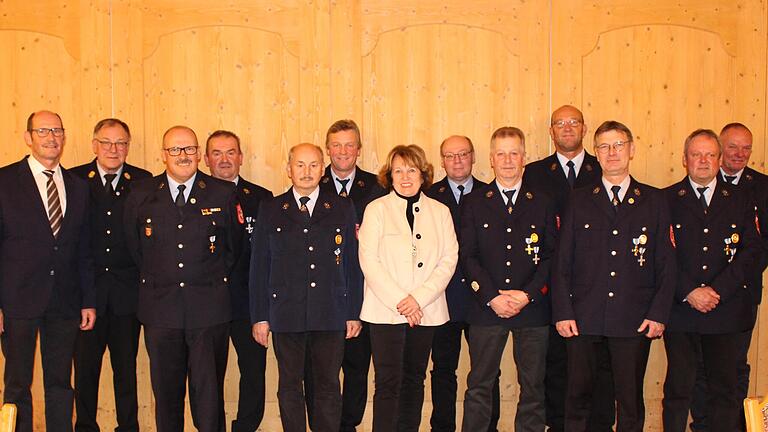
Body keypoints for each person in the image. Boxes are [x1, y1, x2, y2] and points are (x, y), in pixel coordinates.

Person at [552, 120, 675, 432]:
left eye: (619, 145)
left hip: (633, 318)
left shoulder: (654, 200)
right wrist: (563, 311)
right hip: (583, 317)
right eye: (604, 146)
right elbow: (562, 261)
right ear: (596, 152)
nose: (612, 152)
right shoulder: (580, 199)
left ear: (631, 150)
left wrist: (658, 313)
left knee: (630, 401)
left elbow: (666, 263)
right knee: (578, 398)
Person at [124, 125, 241, 432]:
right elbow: (135, 249)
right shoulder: (142, 194)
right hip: (160, 312)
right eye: (175, 150)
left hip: (209, 310)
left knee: (208, 396)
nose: (183, 156)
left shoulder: (223, 193)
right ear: (164, 155)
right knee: (166, 395)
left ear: (199, 154)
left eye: (189, 149)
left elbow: (233, 250)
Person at [250, 143, 363, 432]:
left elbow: (351, 262)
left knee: (328, 385)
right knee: (289, 386)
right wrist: (260, 316)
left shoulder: (340, 207)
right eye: (299, 165)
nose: (306, 171)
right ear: (288, 169)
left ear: (322, 169)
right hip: (286, 313)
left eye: (313, 165)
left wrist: (353, 312)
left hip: (330, 311)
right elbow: (259, 267)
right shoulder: (272, 208)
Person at [0, 110, 96, 431]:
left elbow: (84, 249)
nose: (51, 137)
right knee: (17, 384)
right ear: (28, 138)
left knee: (60, 383)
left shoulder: (78, 186)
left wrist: (88, 300)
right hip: (17, 300)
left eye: (57, 130)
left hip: (65, 302)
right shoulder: (4, 181)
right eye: (43, 131)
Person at [661, 129, 762, 431]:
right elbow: (661, 255)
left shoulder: (742, 200)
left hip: (726, 309)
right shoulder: (666, 200)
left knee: (725, 390)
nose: (703, 161)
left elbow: (752, 251)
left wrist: (717, 290)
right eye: (696, 154)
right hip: (681, 310)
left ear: (719, 160)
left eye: (709, 155)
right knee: (678, 389)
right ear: (684, 159)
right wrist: (689, 290)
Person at [523, 104, 613, 432]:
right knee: (555, 362)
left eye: (573, 122)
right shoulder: (533, 173)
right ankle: (557, 424)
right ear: (551, 131)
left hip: (596, 281)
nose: (567, 128)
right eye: (560, 123)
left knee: (599, 364)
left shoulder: (602, 167)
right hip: (548, 280)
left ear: (584, 128)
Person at [460, 127, 556, 431]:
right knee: (479, 386)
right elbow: (468, 257)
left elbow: (552, 256)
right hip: (487, 308)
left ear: (524, 157)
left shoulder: (542, 201)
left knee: (533, 388)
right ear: (491, 159)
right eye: (501, 154)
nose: (508, 160)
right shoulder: (475, 202)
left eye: (514, 153)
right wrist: (492, 297)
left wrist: (527, 296)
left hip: (533, 308)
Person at [358, 144, 458, 432]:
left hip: (425, 311)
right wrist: (402, 302)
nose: (405, 176)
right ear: (389, 175)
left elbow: (448, 259)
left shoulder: (440, 211)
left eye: (411, 170)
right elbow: (369, 260)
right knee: (387, 382)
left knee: (415, 380)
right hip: (385, 312)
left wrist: (419, 299)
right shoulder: (376, 210)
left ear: (423, 173)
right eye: (398, 170)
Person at [687, 123, 768, 432]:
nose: (740, 154)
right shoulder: (700, 182)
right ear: (721, 151)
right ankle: (702, 425)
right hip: (696, 300)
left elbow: (759, 247)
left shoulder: (761, 187)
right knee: (699, 370)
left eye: (746, 148)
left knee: (734, 368)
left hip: (739, 295)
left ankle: (734, 426)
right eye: (732, 147)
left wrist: (723, 287)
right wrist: (701, 291)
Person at [71, 118, 151, 432]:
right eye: (106, 142)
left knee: (126, 370)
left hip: (127, 295)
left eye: (120, 143)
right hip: (86, 295)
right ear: (94, 145)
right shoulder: (75, 180)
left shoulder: (143, 182)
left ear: (128, 147)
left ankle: (128, 427)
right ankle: (86, 427)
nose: (113, 149)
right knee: (86, 369)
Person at [305, 120, 381, 432]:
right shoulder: (310, 183)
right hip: (319, 291)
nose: (342, 151)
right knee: (318, 369)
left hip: (360, 289)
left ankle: (348, 424)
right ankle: (323, 425)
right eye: (336, 145)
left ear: (359, 149)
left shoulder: (377, 186)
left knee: (356, 365)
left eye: (349, 145)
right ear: (327, 150)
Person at [425, 135, 497, 432]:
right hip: (443, 298)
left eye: (463, 154)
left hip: (483, 299)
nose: (457, 161)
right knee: (443, 369)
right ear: (441, 161)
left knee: (486, 370)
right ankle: (442, 427)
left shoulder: (491, 194)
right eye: (450, 155)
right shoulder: (428, 196)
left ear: (473, 157)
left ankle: (487, 426)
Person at [203, 130, 272, 432]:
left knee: (254, 371)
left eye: (231, 152)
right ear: (206, 160)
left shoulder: (261, 199)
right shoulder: (195, 197)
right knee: (209, 374)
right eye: (217, 153)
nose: (224, 159)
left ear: (241, 157)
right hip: (208, 301)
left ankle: (246, 427)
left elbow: (269, 255)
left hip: (248, 301)